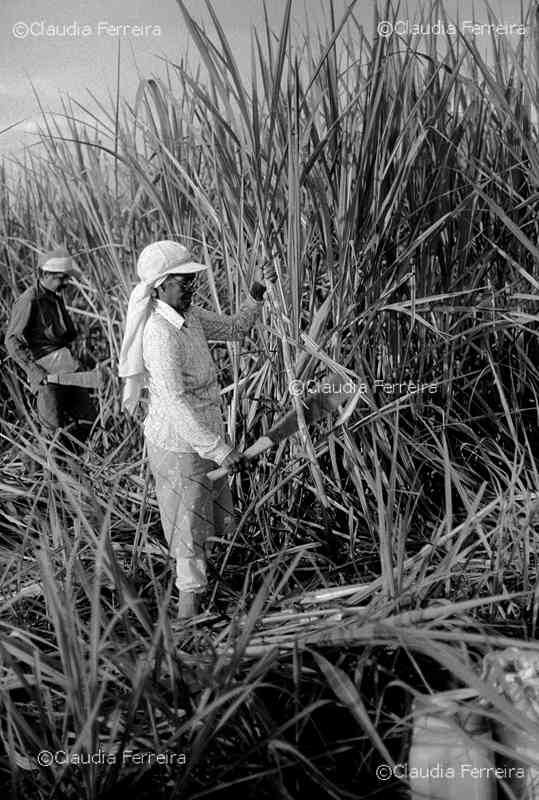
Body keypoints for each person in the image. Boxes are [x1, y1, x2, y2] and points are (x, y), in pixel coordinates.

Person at [118, 240, 265, 619]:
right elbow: (173, 402)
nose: (191, 286)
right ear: (161, 285)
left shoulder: (191, 315)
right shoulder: (159, 334)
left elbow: (235, 328)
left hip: (204, 434)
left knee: (211, 518)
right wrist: (219, 449)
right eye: (183, 281)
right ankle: (187, 615)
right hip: (180, 443)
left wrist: (257, 292)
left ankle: (213, 592)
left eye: (191, 279)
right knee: (189, 526)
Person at [5, 247, 96, 443]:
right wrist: (35, 371)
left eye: (66, 278)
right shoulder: (29, 300)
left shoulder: (55, 297)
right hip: (47, 375)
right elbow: (12, 340)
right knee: (53, 432)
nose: (66, 283)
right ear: (44, 274)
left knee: (87, 420)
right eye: (61, 278)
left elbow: (64, 336)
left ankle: (75, 468)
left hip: (67, 370)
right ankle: (50, 471)